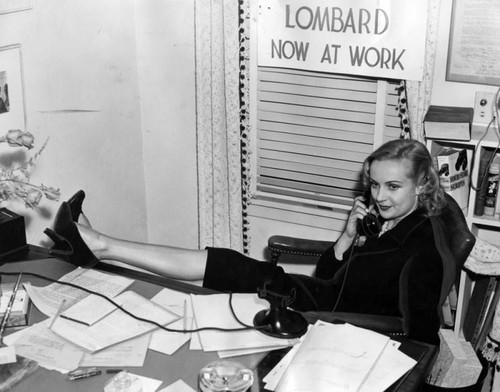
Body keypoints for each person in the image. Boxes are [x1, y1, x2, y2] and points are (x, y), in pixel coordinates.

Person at [44, 138, 447, 344]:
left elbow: (422, 337)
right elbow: (330, 275)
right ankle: (99, 245)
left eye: (393, 186)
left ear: (422, 184)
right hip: (312, 296)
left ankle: (97, 245)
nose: (379, 196)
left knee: (225, 271)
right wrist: (345, 238)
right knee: (224, 264)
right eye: (375, 184)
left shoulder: (421, 248)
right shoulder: (386, 223)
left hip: (325, 322)